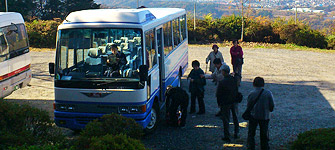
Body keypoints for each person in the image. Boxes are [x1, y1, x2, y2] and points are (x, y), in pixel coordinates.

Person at [246, 77, 274, 150]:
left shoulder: (251, 93)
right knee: (264, 133)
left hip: (253, 115)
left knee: (251, 133)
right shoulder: (268, 93)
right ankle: (264, 147)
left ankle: (251, 147)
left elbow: (249, 105)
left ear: (254, 84)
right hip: (265, 116)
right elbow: (271, 105)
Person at [216, 65, 238, 142]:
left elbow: (218, 94)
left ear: (224, 72)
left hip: (225, 102)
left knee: (226, 119)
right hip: (234, 101)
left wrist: (219, 103)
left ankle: (227, 135)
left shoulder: (222, 82)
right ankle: (236, 133)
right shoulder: (234, 79)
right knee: (235, 117)